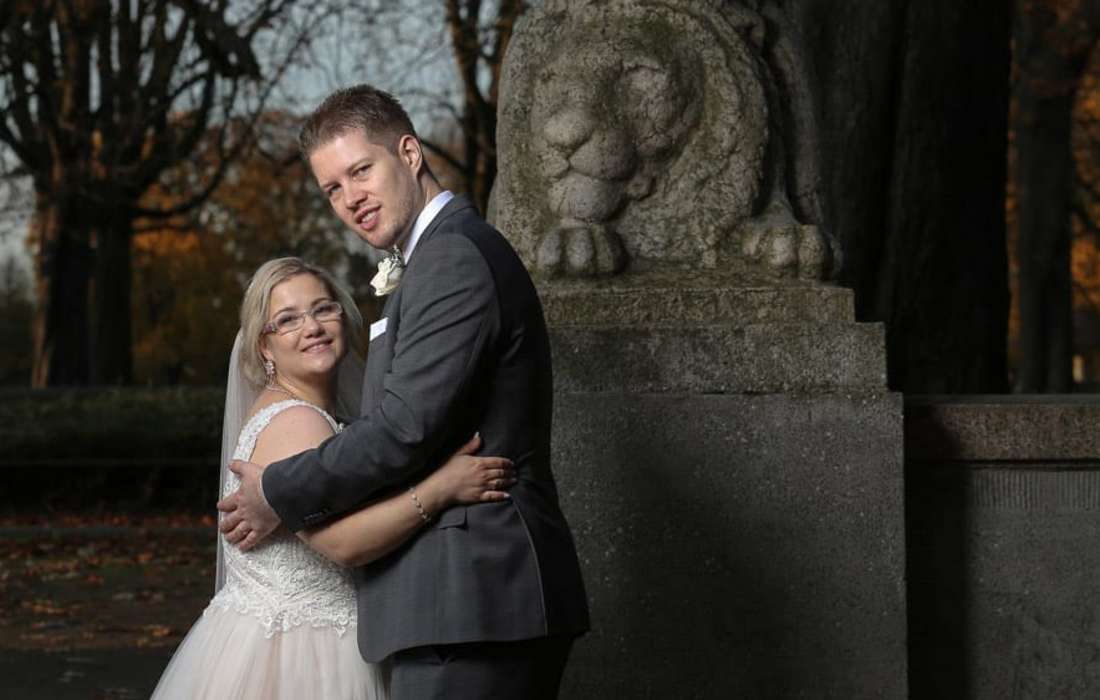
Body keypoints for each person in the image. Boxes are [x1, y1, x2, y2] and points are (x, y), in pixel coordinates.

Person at [218, 85, 590, 699]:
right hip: (459, 603)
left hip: (474, 596)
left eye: (361, 170)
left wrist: (278, 491)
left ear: (410, 153)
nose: (350, 198)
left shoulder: (451, 258)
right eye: (332, 189)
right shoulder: (434, 259)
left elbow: (403, 427)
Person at [151, 258, 515, 700]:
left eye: (323, 309)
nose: (313, 327)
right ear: (264, 347)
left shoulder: (311, 414)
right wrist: (441, 488)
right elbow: (345, 545)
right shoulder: (297, 421)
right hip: (303, 652)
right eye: (288, 319)